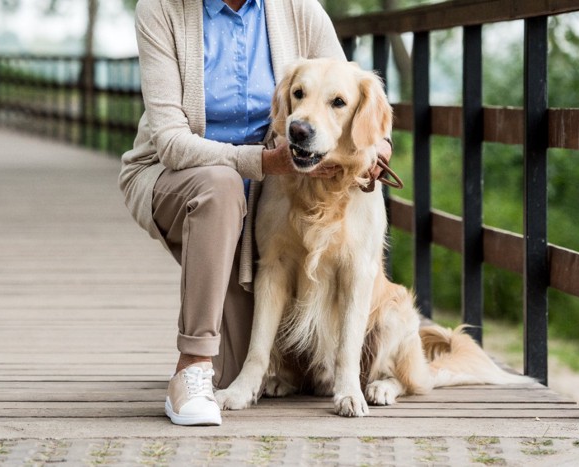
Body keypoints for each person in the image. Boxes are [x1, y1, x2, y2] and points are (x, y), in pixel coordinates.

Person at [119, 0, 392, 427]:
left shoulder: (299, 9)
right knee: (221, 186)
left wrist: (380, 149)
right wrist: (264, 163)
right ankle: (190, 367)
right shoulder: (162, 10)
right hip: (185, 178)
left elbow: (347, 93)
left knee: (235, 373)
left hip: (275, 195)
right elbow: (170, 143)